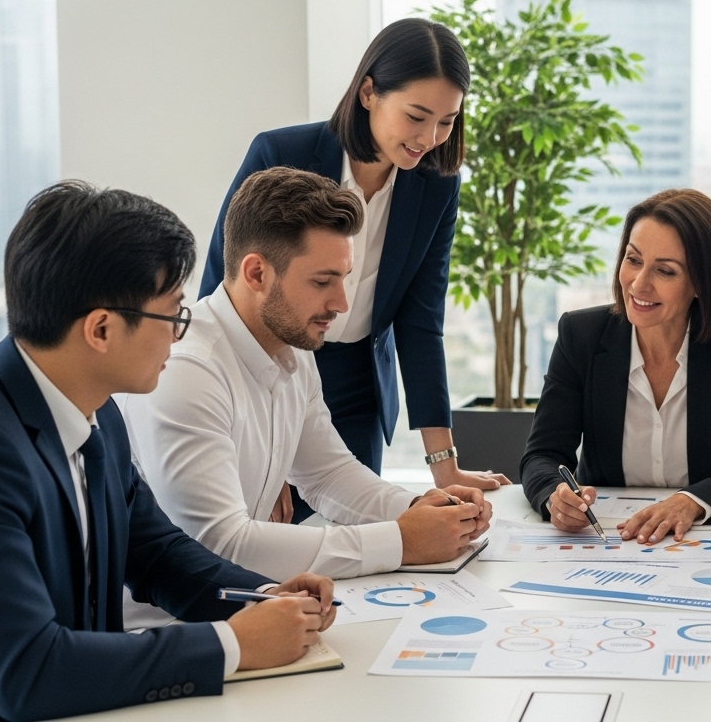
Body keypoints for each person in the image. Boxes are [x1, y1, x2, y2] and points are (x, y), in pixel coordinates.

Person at [0, 182, 339, 721]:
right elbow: (27, 671)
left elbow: (157, 553)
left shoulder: (97, 410)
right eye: (173, 317)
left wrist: (263, 597)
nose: (179, 337)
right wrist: (231, 646)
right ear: (101, 329)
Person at [122, 168, 490, 627]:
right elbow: (218, 544)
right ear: (256, 272)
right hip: (168, 633)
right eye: (322, 281)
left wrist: (420, 513)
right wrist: (400, 541)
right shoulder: (187, 368)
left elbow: (327, 473)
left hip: (253, 612)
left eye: (345, 278)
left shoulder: (292, 342)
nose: (342, 304)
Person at [199, 17, 509, 525]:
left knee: (359, 545)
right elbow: (224, 287)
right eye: (416, 116)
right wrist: (262, 443)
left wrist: (445, 466)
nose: (429, 138)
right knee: (271, 549)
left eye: (447, 121)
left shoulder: (435, 184)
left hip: (358, 386)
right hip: (274, 372)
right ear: (369, 92)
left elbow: (421, 320)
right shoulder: (282, 154)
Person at [520, 189, 711, 543]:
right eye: (633, 260)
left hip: (704, 541)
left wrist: (691, 502)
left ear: (702, 283)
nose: (639, 283)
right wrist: (555, 497)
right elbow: (543, 455)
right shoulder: (581, 335)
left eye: (665, 270)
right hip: (608, 541)